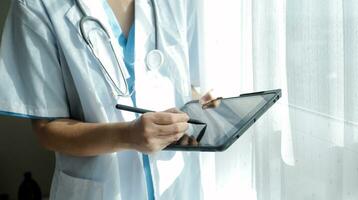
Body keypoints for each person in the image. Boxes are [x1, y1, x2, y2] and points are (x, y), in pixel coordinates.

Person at [0, 0, 213, 199]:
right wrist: (129, 135)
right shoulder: (38, 5)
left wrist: (199, 107)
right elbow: (47, 130)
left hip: (177, 184)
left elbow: (181, 83)